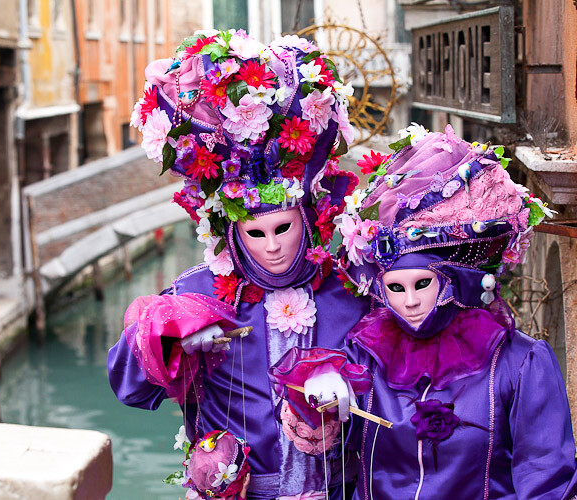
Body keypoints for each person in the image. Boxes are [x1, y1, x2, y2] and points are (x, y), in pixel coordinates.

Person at [271, 124, 577, 499]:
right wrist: (318, 394)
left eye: (421, 285)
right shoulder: (367, 357)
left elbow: (545, 480)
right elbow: (327, 436)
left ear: (455, 280)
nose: (408, 302)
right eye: (395, 289)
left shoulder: (520, 363)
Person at [107, 30, 372, 499]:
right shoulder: (199, 295)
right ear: (233, 233)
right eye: (255, 232)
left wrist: (353, 390)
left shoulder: (349, 293)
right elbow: (128, 386)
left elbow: (402, 391)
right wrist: (172, 341)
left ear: (307, 223)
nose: (271, 247)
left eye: (283, 229)